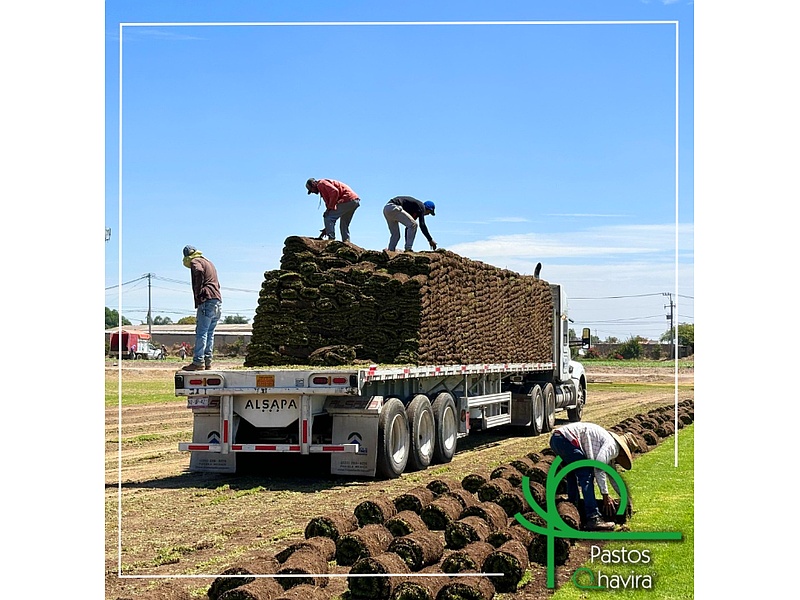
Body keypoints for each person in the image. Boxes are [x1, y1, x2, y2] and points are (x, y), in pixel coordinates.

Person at [548, 422, 635, 531]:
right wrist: (605, 495)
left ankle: (573, 507)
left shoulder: (609, 445)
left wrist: (626, 499)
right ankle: (593, 518)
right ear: (623, 452)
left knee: (572, 474)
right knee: (586, 475)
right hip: (566, 440)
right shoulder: (612, 447)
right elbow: (599, 468)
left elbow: (613, 476)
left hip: (557, 439)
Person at [181, 245, 222, 371]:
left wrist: (199, 293)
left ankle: (198, 362)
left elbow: (198, 271)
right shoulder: (208, 262)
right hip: (217, 301)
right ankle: (208, 362)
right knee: (210, 333)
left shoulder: (195, 261)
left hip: (207, 300)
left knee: (201, 332)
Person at [305, 178, 361, 242]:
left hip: (347, 199)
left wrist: (330, 207)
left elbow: (334, 191)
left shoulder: (321, 184)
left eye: (311, 190)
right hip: (354, 200)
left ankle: (331, 240)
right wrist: (328, 227)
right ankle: (347, 242)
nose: (312, 192)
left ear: (313, 184)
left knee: (328, 216)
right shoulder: (323, 185)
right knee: (344, 224)